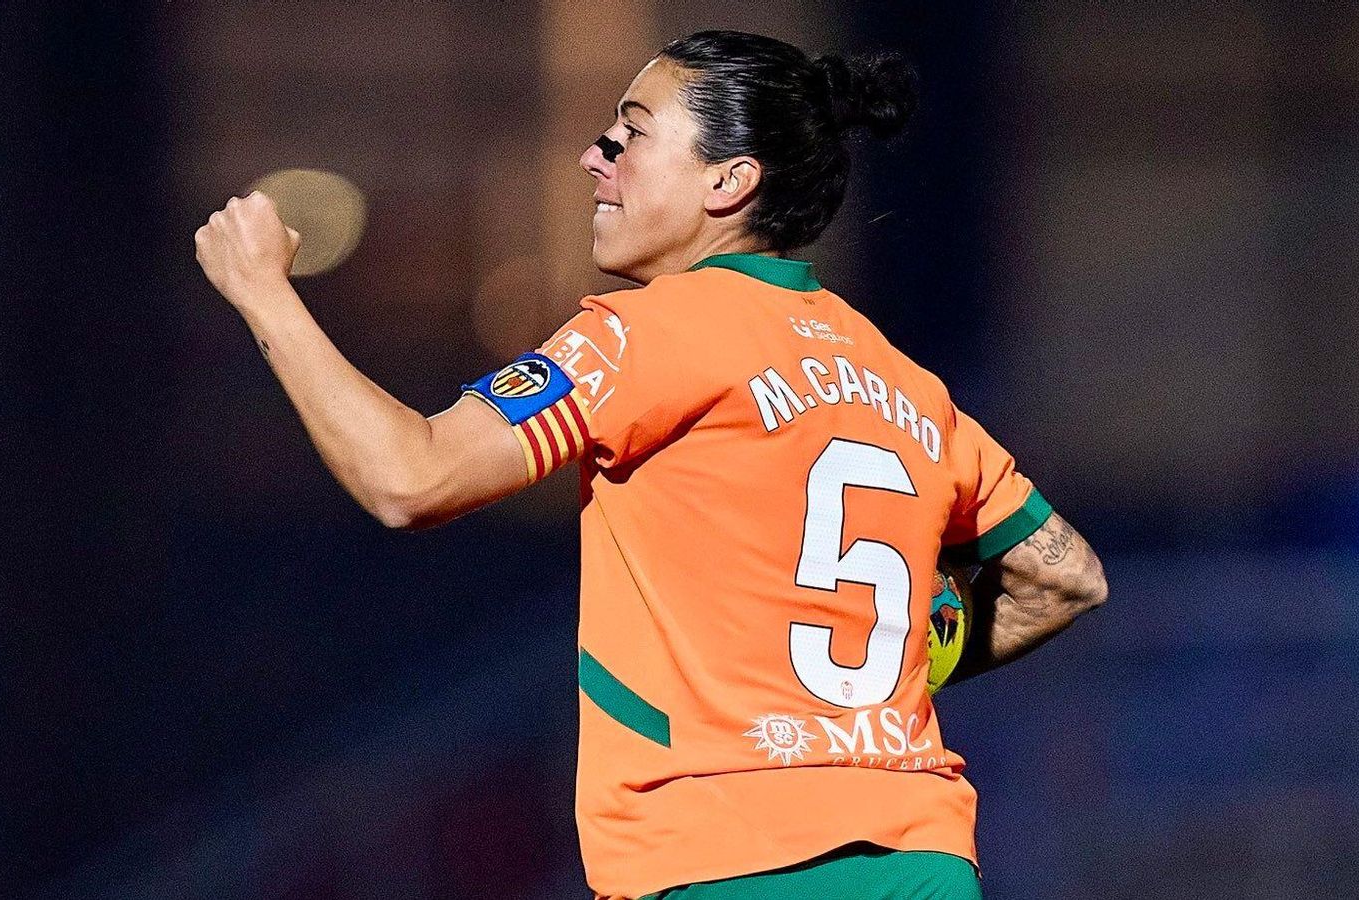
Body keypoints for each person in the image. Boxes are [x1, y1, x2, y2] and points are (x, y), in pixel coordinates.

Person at [195, 29, 1107, 900]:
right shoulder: (907, 386)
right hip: (921, 864)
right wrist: (908, 668)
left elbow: (410, 478)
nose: (595, 158)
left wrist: (263, 293)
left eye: (629, 135)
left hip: (727, 864)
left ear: (728, 181)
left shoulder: (640, 340)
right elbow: (1067, 579)